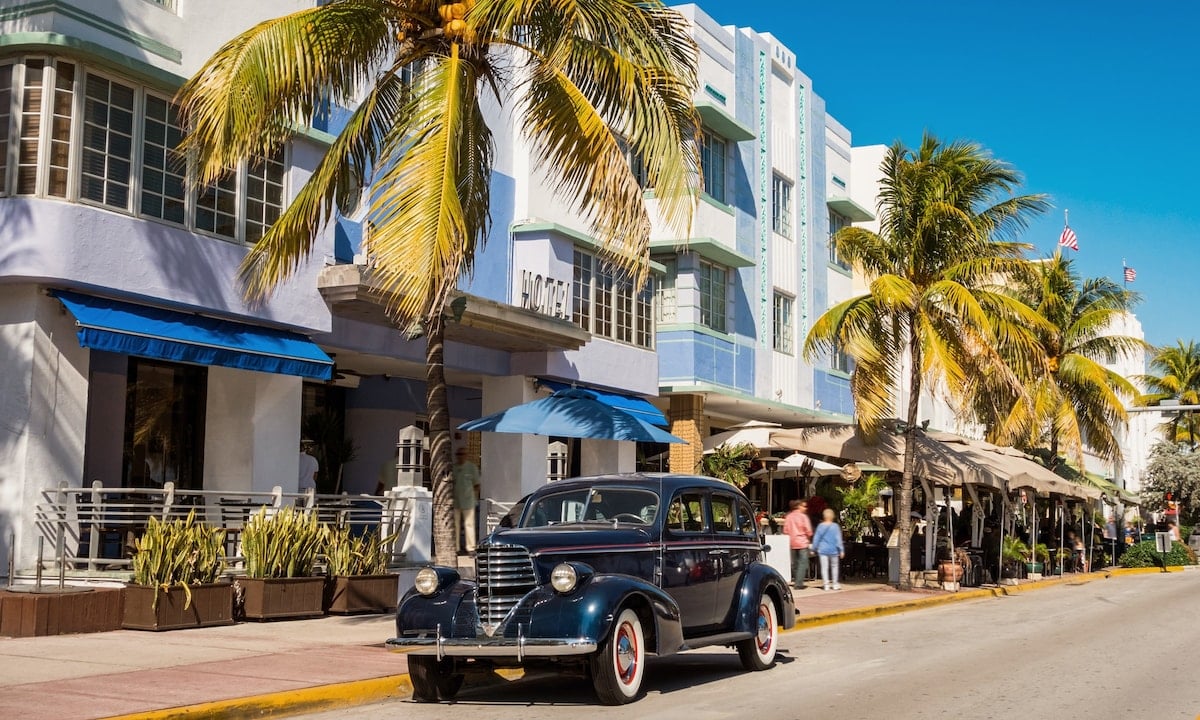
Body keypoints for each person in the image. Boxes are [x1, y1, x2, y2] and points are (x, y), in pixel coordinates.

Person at [452, 447, 480, 554]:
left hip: (468, 501)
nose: (460, 456)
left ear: (466, 455)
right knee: (455, 525)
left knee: (469, 524)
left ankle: (471, 548)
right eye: (458, 454)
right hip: (456, 500)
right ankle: (456, 548)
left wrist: (475, 498)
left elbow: (476, 485)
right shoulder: (453, 468)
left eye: (462, 454)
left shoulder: (471, 467)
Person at [782, 499, 813, 589]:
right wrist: (809, 538)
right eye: (804, 506)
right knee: (803, 563)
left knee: (795, 564)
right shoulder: (803, 517)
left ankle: (796, 580)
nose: (806, 508)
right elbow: (809, 530)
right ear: (799, 506)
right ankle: (799, 583)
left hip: (792, 543)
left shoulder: (789, 517)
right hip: (802, 542)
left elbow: (785, 530)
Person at [811, 508, 845, 591]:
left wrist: (813, 548)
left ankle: (826, 584)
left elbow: (816, 539)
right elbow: (838, 539)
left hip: (823, 550)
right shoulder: (835, 527)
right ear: (832, 516)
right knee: (834, 567)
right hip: (834, 550)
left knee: (824, 568)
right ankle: (835, 584)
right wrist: (841, 550)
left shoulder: (820, 526)